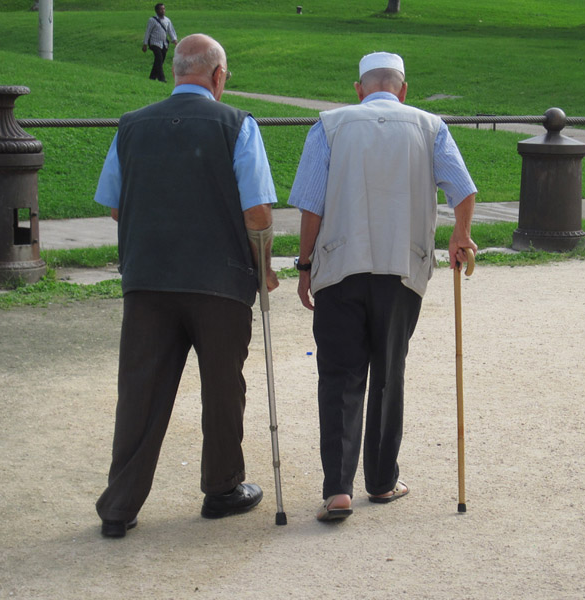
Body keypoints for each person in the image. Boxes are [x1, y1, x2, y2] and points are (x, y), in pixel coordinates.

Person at [93, 33, 279, 538]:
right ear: (218, 75)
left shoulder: (131, 126)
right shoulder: (237, 124)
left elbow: (116, 207)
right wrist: (263, 268)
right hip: (219, 280)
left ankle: (119, 506)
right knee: (223, 388)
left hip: (148, 279)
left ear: (176, 72)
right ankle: (222, 488)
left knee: (139, 391)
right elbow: (258, 212)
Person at [288, 51, 478, 522]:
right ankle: (381, 480)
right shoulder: (430, 126)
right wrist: (461, 235)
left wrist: (305, 264)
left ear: (359, 89)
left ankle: (338, 489)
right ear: (403, 90)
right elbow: (463, 189)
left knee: (340, 375)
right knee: (389, 373)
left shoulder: (330, 125)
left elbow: (311, 205)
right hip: (401, 268)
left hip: (339, 267)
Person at [142, 3, 178, 82]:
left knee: (160, 61)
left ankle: (152, 77)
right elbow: (148, 32)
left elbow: (170, 31)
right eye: (161, 9)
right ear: (156, 10)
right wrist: (145, 44)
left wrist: (174, 41)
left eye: (164, 9)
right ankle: (162, 78)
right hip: (154, 43)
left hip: (164, 44)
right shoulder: (152, 20)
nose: (163, 11)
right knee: (159, 59)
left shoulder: (167, 20)